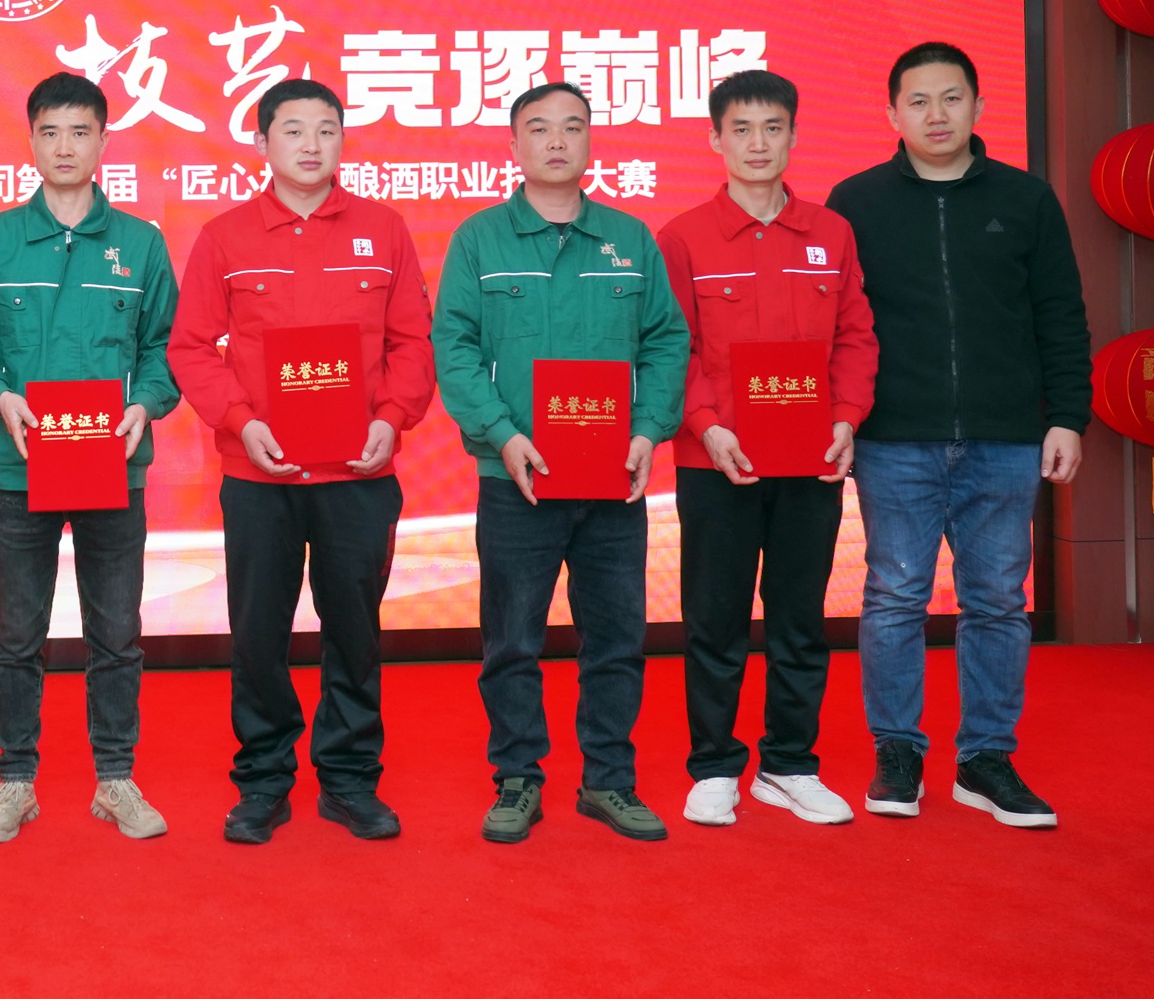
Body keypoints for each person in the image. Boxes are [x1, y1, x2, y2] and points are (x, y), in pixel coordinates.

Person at [826, 42, 1091, 828]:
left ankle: (986, 758)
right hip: (894, 437)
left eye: (951, 97)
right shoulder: (856, 202)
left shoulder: (1026, 198)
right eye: (918, 100)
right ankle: (898, 752)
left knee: (998, 601)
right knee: (894, 595)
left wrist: (1066, 416)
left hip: (1005, 437)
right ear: (892, 113)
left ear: (978, 105)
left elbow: (1060, 314)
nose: (936, 114)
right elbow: (837, 324)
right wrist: (842, 417)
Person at [166, 79, 436, 844]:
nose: (311, 144)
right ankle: (263, 781)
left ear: (343, 139)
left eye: (326, 129)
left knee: (355, 630)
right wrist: (240, 421)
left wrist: (391, 417)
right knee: (259, 631)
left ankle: (349, 780)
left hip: (359, 473)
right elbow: (190, 347)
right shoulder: (225, 237)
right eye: (292, 130)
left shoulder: (384, 230)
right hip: (260, 475)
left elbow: (413, 342)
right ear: (261, 143)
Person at [431, 81, 689, 844]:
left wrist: (648, 430)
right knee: (511, 639)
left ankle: (609, 779)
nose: (556, 141)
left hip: (613, 477)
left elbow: (666, 340)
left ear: (590, 141)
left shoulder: (629, 239)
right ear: (513, 145)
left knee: (617, 637)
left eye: (572, 127)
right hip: (516, 478)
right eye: (539, 128)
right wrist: (502, 434)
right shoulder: (479, 240)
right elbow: (454, 347)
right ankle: (518, 777)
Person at [0, 72, 181, 843]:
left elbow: (166, 349)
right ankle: (16, 781)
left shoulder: (140, 243)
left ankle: (116, 778)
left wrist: (146, 403)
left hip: (113, 466)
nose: (65, 146)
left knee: (117, 631)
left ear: (104, 141)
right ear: (32, 141)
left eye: (80, 132)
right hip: (19, 469)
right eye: (50, 132)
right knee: (17, 632)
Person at [656, 70, 877, 827]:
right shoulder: (683, 236)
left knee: (799, 620)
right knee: (714, 619)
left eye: (773, 127)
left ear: (793, 135)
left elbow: (856, 335)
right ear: (715, 139)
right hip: (715, 461)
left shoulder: (831, 233)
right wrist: (705, 424)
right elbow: (671, 347)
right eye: (742, 129)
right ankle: (715, 766)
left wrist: (846, 417)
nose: (758, 143)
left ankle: (788, 764)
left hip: (812, 459)